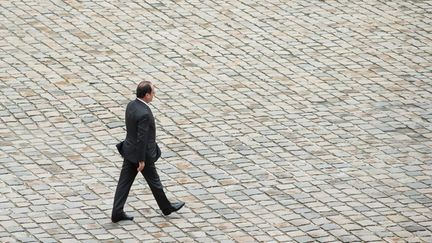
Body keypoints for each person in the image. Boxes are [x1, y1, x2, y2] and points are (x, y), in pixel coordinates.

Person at [111, 81, 185, 223]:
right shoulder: (144, 113)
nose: (154, 95)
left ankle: (117, 212)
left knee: (124, 183)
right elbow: (142, 138)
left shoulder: (131, 105)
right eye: (152, 93)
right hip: (142, 155)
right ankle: (166, 207)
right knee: (155, 182)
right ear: (146, 95)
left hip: (129, 151)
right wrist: (141, 160)